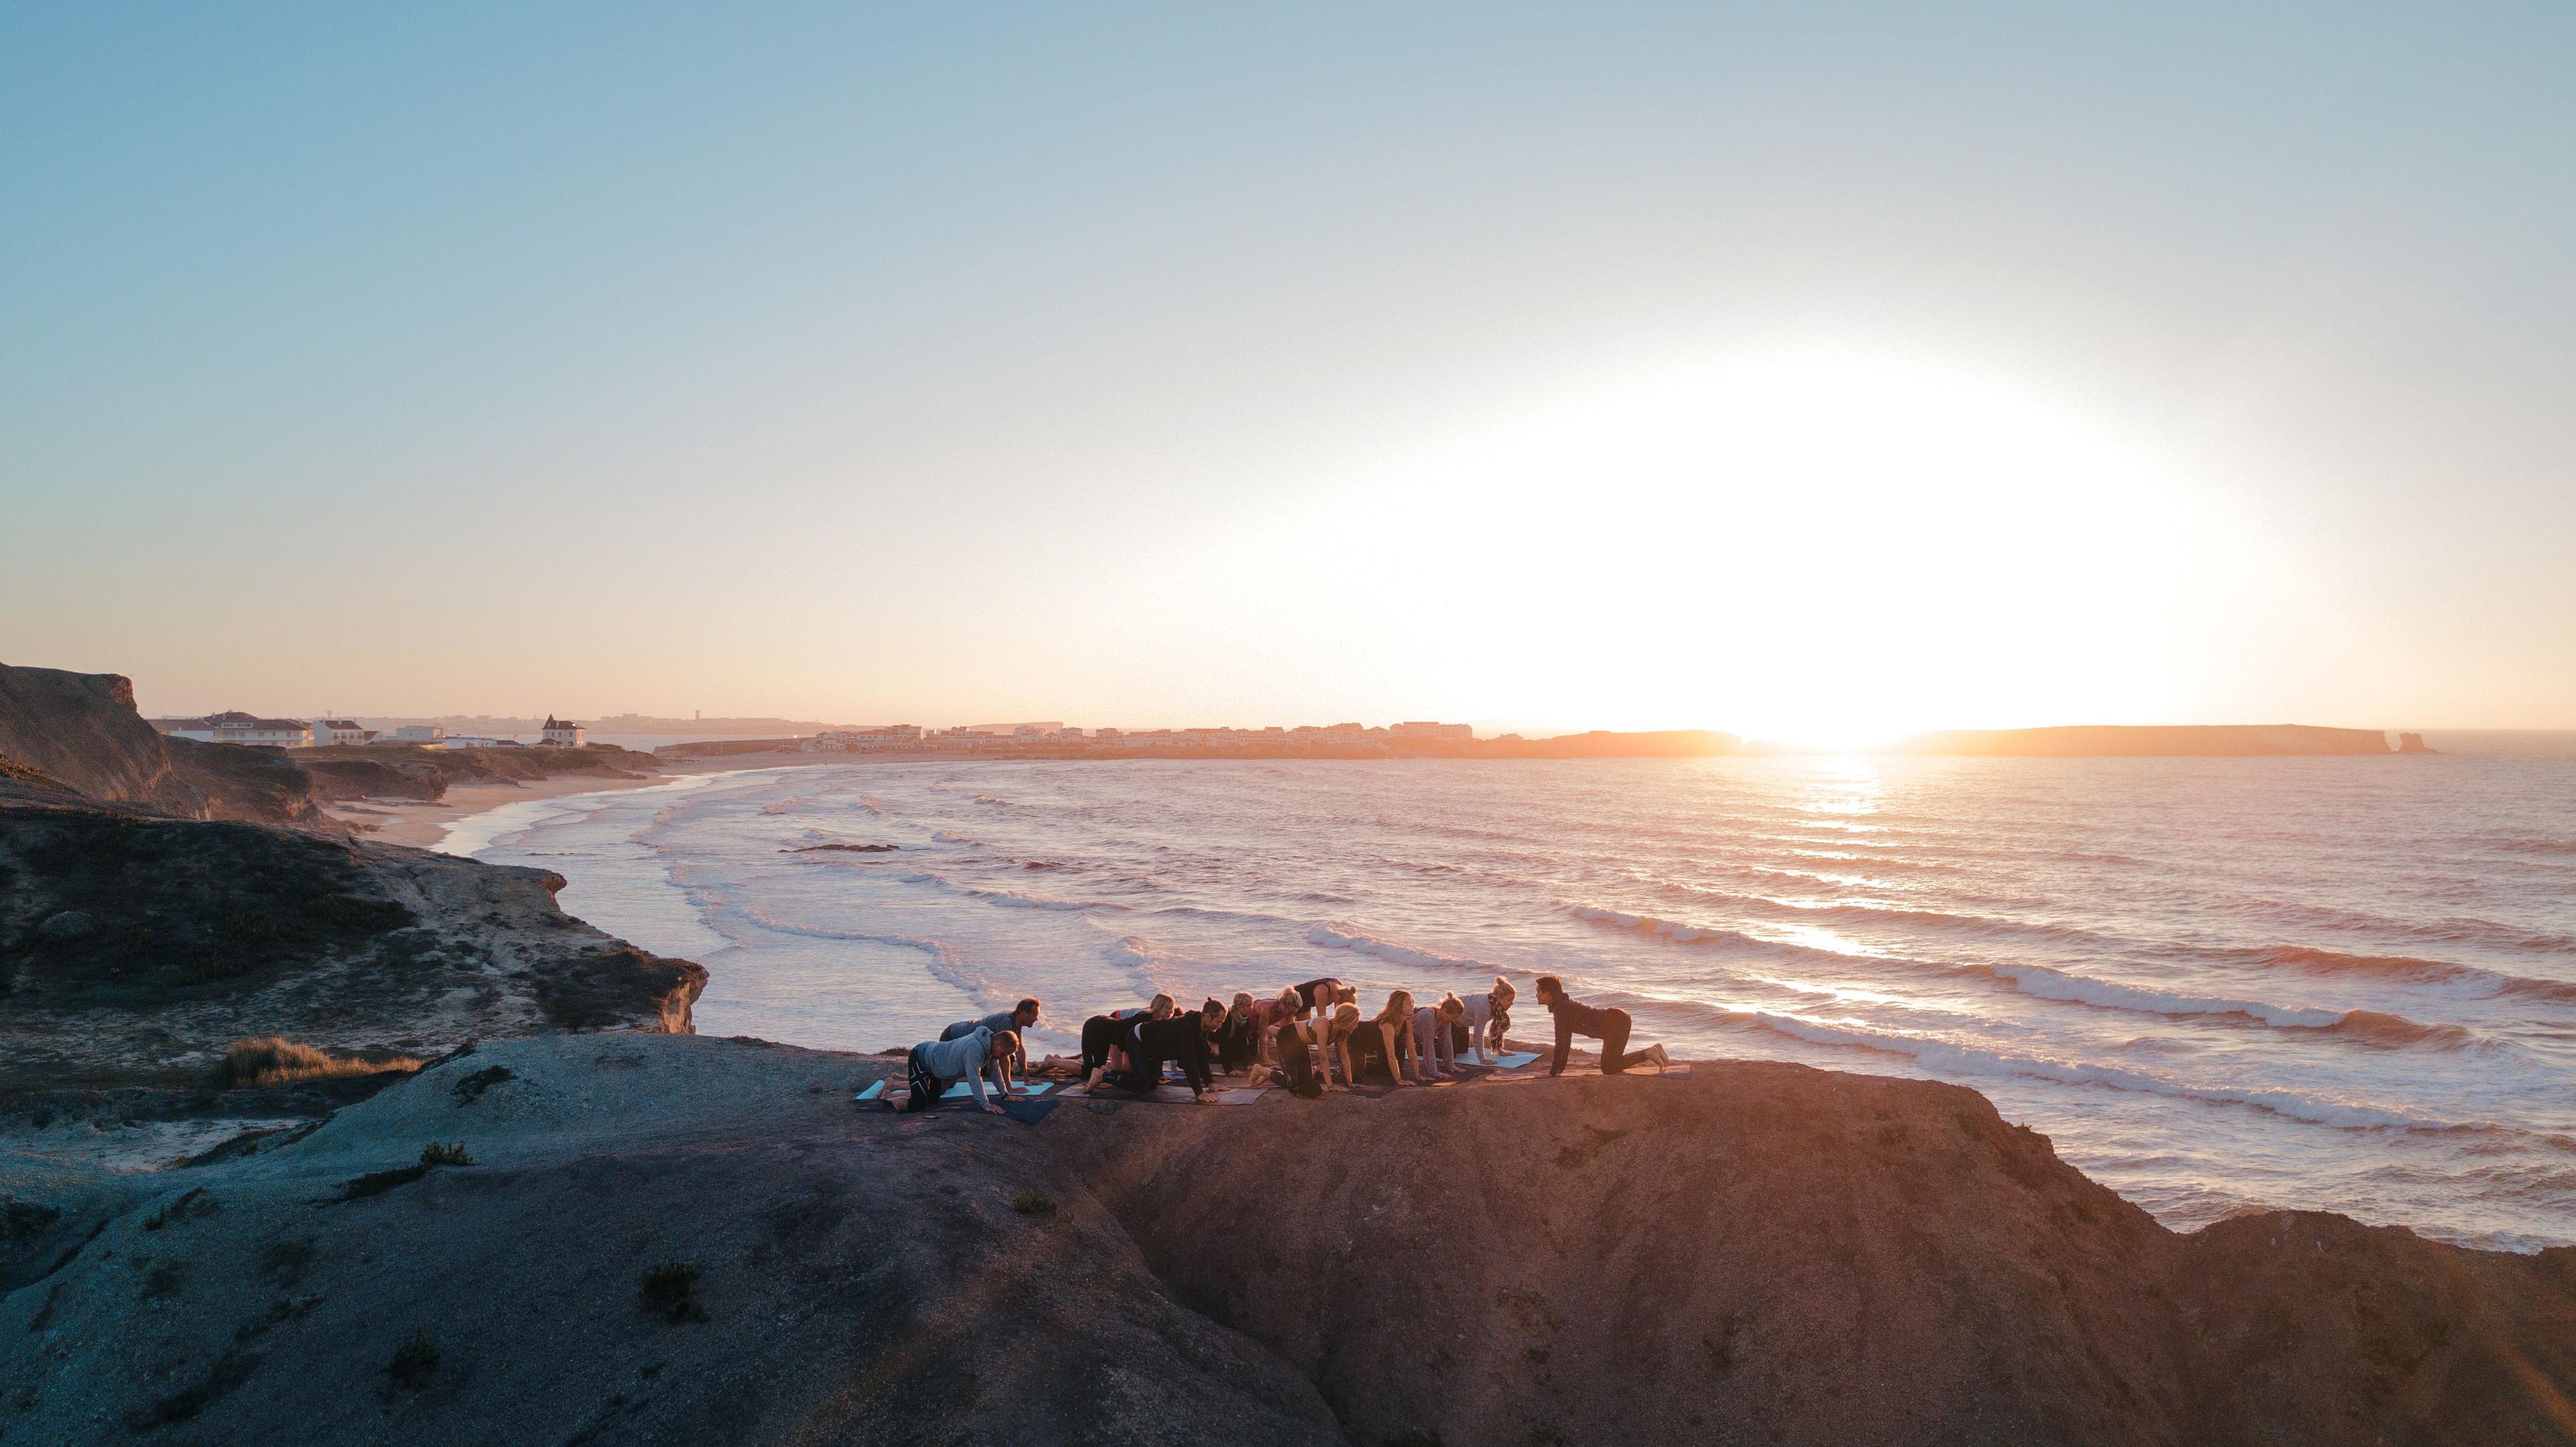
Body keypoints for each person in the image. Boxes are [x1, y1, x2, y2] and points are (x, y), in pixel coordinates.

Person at [1536, 974, 1668, 1077]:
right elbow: (1566, 1040)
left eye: (1538, 991)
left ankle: (1649, 1053)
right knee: (1610, 1065)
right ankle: (1656, 1048)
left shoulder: (1561, 1009)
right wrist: (1559, 1070)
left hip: (1616, 1022)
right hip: (1616, 1020)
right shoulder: (1563, 1007)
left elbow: (1561, 1043)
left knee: (1609, 1068)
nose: (1536, 995)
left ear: (1548, 994)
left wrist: (1553, 1072)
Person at [1100, 1004, 1219, 1103]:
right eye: (1219, 1021)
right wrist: (1199, 1093)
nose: (1221, 1025)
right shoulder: (1187, 1029)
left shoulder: (1201, 1027)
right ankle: (1102, 1076)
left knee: (1153, 1083)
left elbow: (1201, 1056)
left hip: (1154, 1048)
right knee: (1142, 1085)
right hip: (1138, 1039)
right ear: (1207, 1017)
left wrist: (1210, 1083)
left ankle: (1109, 1072)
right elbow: (1189, 1062)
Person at [888, 1026, 1006, 1115]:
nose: (1003, 1057)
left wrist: (1005, 1094)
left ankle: (893, 1087)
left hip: (935, 1065)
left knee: (933, 1100)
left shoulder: (989, 1047)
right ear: (998, 1044)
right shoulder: (975, 1047)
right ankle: (888, 1099)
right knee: (918, 1104)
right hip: (921, 1057)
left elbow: (995, 1070)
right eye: (1004, 1053)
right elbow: (974, 1077)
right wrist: (986, 1105)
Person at [941, 997, 1040, 1093]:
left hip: (969, 1045)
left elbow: (1020, 1050)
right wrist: (1009, 1088)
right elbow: (1004, 1058)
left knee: (951, 1085)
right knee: (944, 1085)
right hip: (952, 1037)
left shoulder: (1017, 1023)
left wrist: (1027, 1080)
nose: (1037, 1019)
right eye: (1035, 1015)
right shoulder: (1006, 1022)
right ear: (1024, 1014)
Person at [1459, 977, 1515, 1063]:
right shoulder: (1484, 1008)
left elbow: (1498, 1027)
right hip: (1452, 1018)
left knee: (1462, 1050)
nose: (1512, 1003)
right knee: (1452, 1051)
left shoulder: (1496, 1005)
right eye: (1509, 1000)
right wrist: (1482, 1059)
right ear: (1500, 998)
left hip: (1464, 1023)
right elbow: (1478, 1034)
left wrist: (1500, 1050)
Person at [1413, 994, 1466, 1081]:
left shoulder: (1445, 1019)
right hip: (1404, 1036)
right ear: (1444, 1011)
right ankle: (1418, 1049)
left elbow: (1447, 1042)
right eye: (1453, 1017)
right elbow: (1428, 1045)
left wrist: (1450, 1065)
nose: (1453, 1020)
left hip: (1419, 1038)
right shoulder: (1428, 1016)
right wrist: (1433, 1072)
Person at [1210, 992, 1260, 1074]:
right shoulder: (1228, 1018)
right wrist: (1229, 1070)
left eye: (1252, 1005)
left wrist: (1247, 1064)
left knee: (1251, 1048)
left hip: (1228, 1040)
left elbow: (1243, 1041)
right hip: (1214, 1039)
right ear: (1239, 1006)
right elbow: (1224, 1044)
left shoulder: (1244, 1018)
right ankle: (1213, 1048)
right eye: (1248, 1005)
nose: (1251, 1008)